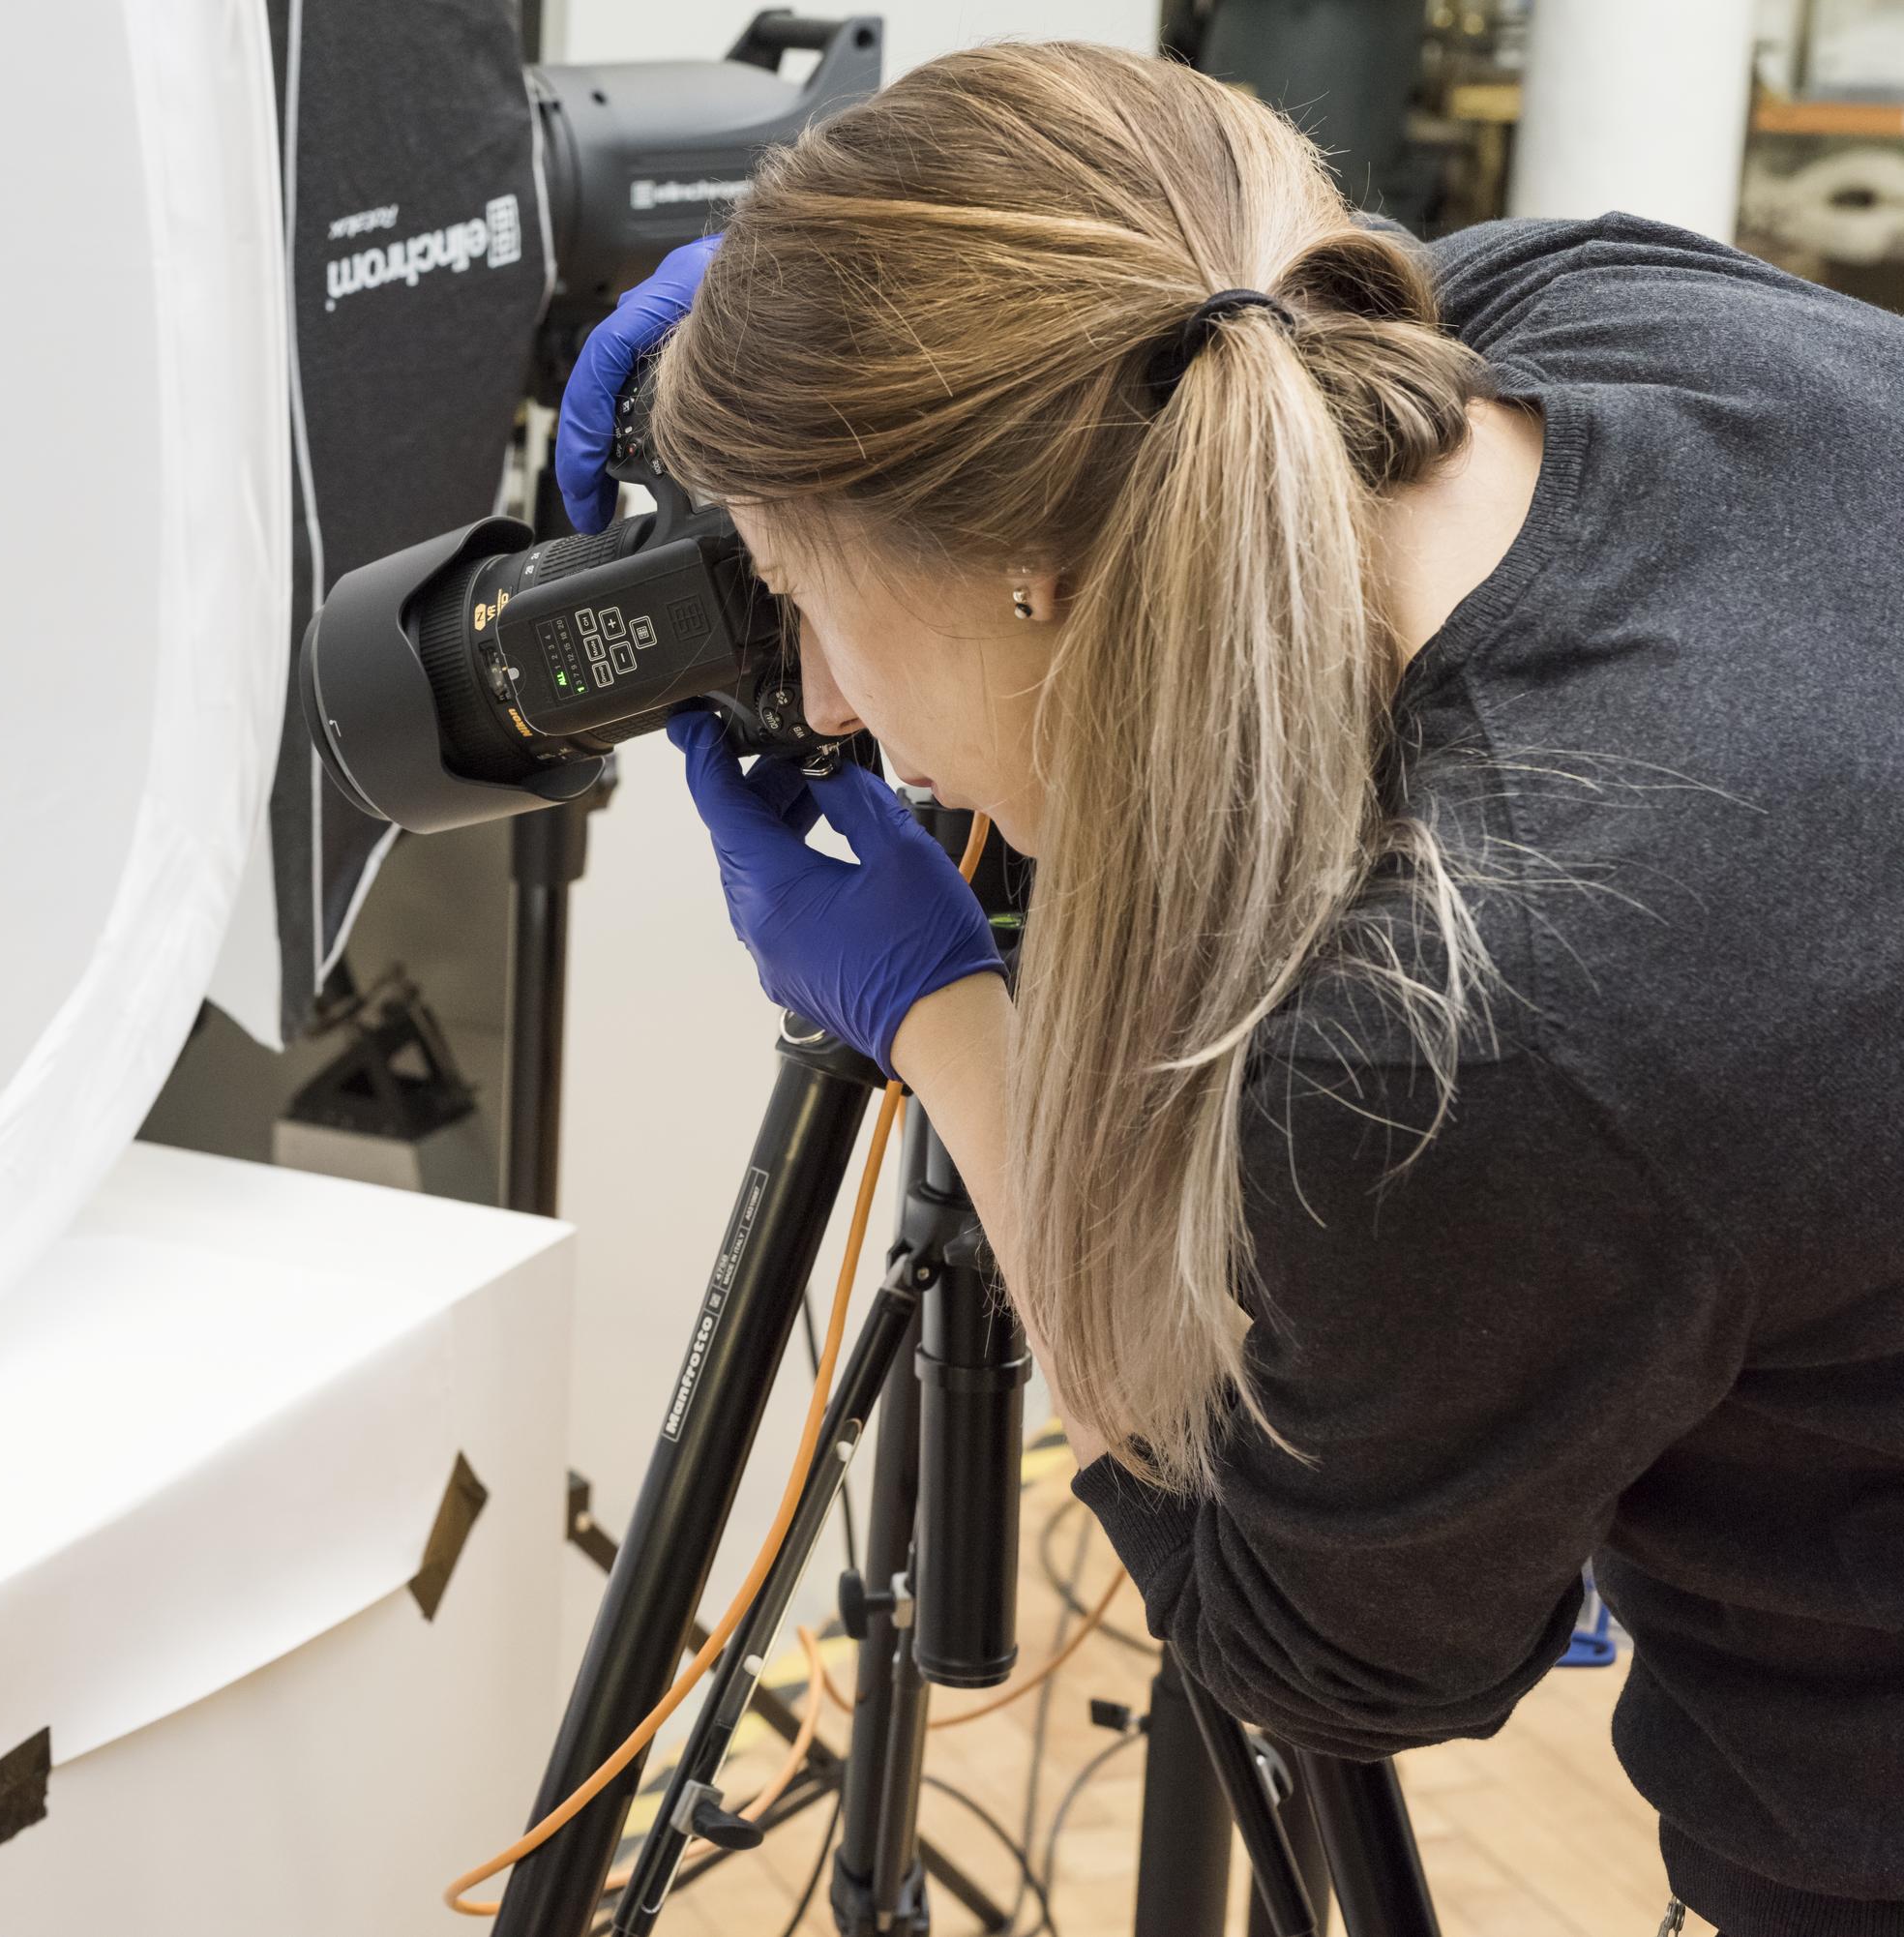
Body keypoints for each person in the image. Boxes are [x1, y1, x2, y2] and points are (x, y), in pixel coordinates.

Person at [552, 41, 1904, 1936]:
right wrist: (862, 296)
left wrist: (950, 1019)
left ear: (1026, 569)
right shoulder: (1586, 311)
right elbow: (1219, 314)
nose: (829, 702)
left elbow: (1323, 1657)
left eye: (805, 589)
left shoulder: (1457, 1032)